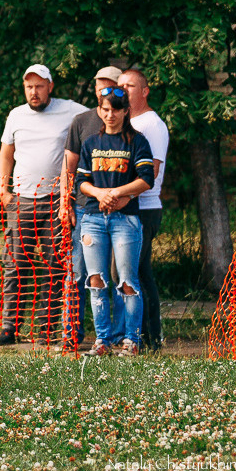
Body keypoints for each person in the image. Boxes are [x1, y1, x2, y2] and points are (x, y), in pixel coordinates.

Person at [0, 64, 88, 346]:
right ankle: (9, 327)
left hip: (56, 202)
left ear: (50, 86)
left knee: (54, 265)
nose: (33, 92)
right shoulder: (16, 115)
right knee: (15, 264)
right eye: (29, 87)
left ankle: (46, 328)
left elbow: (100, 117)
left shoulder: (70, 110)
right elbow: (6, 154)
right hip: (21, 201)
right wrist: (3, 190)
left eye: (39, 86)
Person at [75, 85, 155, 356]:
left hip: (126, 220)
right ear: (99, 110)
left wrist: (117, 193)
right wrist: (100, 194)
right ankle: (102, 341)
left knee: (127, 281)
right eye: (105, 110)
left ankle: (131, 340)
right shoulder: (91, 143)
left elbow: (146, 179)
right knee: (96, 280)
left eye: (116, 110)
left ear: (126, 111)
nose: (110, 115)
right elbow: (81, 181)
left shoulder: (137, 142)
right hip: (93, 219)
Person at [60, 66, 126, 349]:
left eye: (110, 85)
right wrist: (65, 202)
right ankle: (71, 335)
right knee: (77, 272)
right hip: (85, 210)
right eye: (100, 85)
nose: (103, 90)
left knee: (119, 275)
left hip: (121, 212)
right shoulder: (81, 121)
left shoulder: (127, 121)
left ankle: (119, 336)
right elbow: (68, 166)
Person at [120, 68, 169, 351]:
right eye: (121, 85)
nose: (124, 90)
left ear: (144, 91)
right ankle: (136, 334)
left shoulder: (151, 124)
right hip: (128, 206)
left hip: (144, 207)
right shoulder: (126, 121)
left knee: (138, 273)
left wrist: (121, 195)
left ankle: (151, 338)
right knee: (130, 272)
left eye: (130, 85)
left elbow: (152, 172)